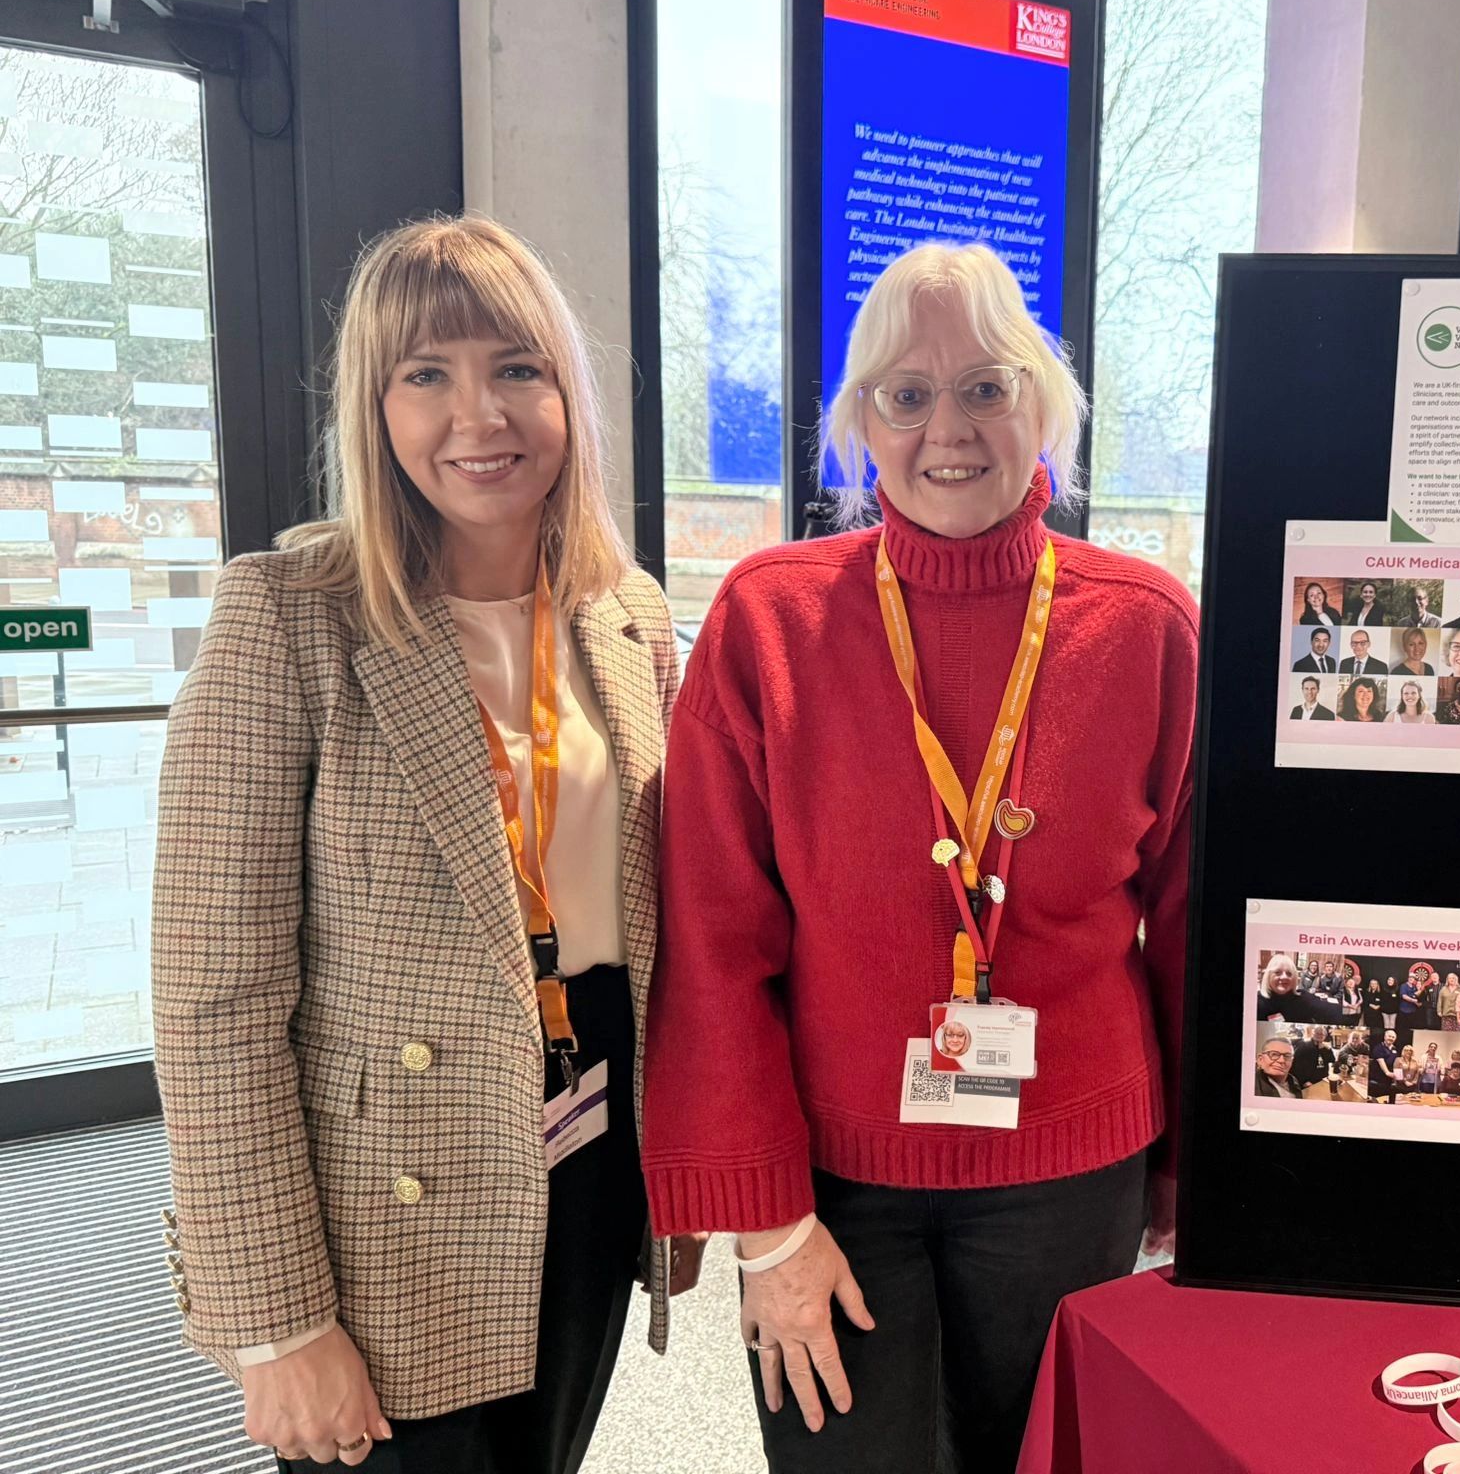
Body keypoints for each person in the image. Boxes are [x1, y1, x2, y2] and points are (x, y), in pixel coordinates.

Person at [639, 242, 1194, 1472]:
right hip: (831, 1180)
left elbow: (1189, 929)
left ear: (1043, 408)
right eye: (906, 393)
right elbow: (712, 941)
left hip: (1072, 1161)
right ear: (859, 424)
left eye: (986, 386)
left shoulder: (1145, 627)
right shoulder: (767, 619)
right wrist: (767, 1227)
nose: (948, 427)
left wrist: (1189, 1165)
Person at [152, 216, 683, 1472]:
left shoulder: (627, 616)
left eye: (516, 369)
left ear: (566, 393)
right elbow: (214, 1001)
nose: (477, 416)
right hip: (384, 1201)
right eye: (427, 374)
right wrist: (276, 1322)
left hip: (589, 1134)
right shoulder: (289, 617)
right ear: (374, 406)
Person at [1255, 956, 1348, 1025]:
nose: (1284, 977)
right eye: (1277, 972)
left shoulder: (1303, 998)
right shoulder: (1256, 1002)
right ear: (1268, 975)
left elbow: (1330, 1011)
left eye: (1289, 973)